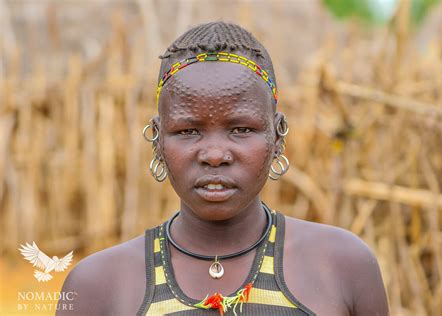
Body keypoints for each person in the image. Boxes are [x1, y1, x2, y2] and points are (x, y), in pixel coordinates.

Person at [58, 22, 389, 316]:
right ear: (158, 139)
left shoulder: (343, 265)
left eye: (241, 129)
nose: (215, 155)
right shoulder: (99, 286)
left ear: (277, 135)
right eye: (188, 131)